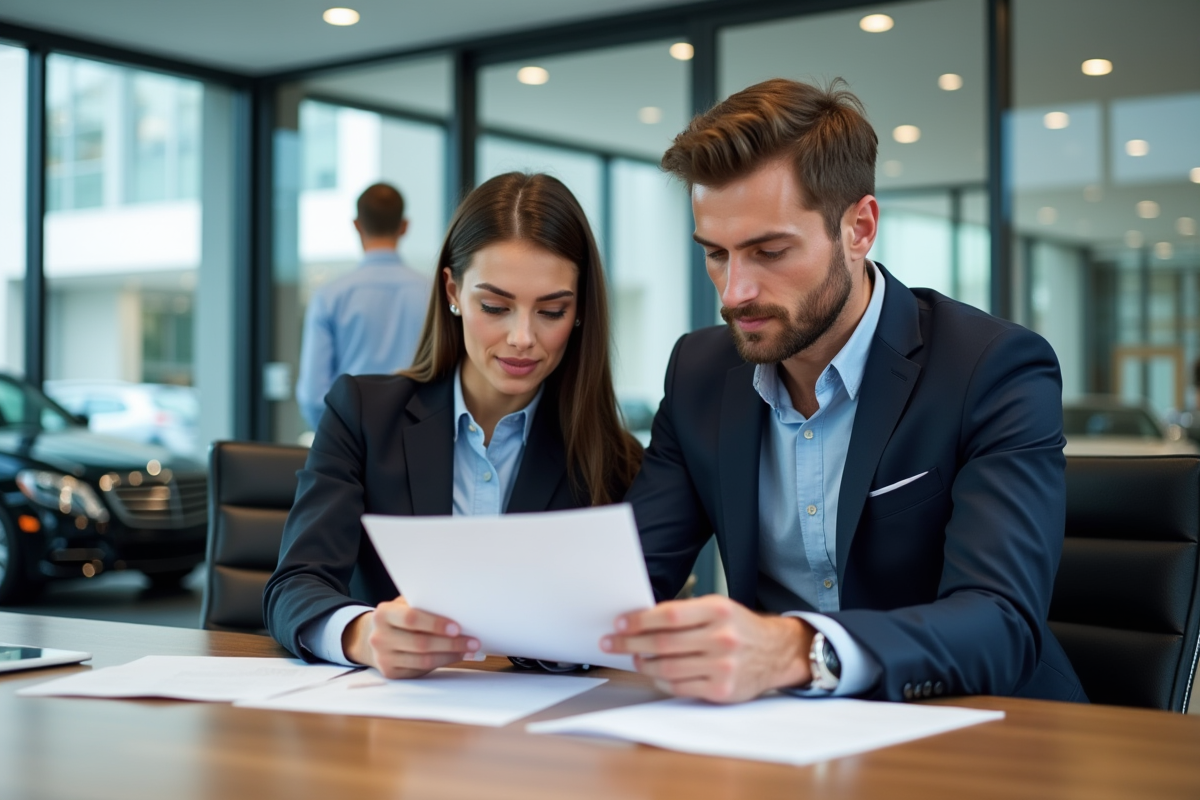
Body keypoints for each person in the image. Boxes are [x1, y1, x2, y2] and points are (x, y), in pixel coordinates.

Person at [601, 78, 1087, 705]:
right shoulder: (699, 371)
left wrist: (795, 650)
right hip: (781, 729)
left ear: (859, 228)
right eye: (716, 254)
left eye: (769, 251)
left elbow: (1000, 622)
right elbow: (626, 583)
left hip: (982, 722)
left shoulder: (990, 368)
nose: (735, 291)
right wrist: (493, 620)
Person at [266, 173, 642, 677]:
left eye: (552, 311)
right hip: (388, 714)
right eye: (495, 307)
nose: (522, 337)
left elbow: (623, 624)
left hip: (540, 718)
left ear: (579, 312)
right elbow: (293, 587)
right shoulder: (363, 415)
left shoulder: (613, 459)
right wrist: (363, 634)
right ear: (453, 291)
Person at [295, 182, 433, 430]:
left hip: (351, 433)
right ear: (404, 226)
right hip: (420, 431)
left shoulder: (329, 296)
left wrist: (335, 437)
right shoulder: (434, 293)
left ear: (357, 225)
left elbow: (313, 395)